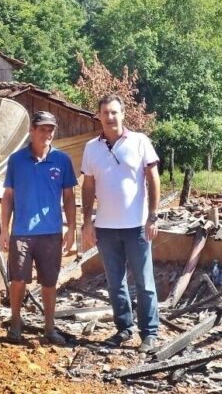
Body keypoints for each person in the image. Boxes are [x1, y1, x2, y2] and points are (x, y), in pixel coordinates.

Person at [81, 94, 161, 353]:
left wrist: (153, 216)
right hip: (105, 228)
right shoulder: (91, 147)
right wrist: (87, 222)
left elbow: (153, 178)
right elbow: (88, 185)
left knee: (144, 282)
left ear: (123, 114)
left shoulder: (139, 141)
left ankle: (149, 333)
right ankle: (124, 329)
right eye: (105, 112)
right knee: (115, 283)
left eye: (114, 112)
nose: (110, 117)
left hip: (136, 226)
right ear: (99, 116)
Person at [0, 111, 77, 345]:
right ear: (32, 130)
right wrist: (4, 229)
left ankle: (49, 329)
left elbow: (70, 197)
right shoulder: (16, 160)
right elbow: (8, 196)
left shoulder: (62, 160)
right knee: (18, 280)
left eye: (51, 129)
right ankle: (15, 325)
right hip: (22, 232)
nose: (47, 133)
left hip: (51, 232)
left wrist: (71, 228)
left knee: (49, 282)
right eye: (42, 128)